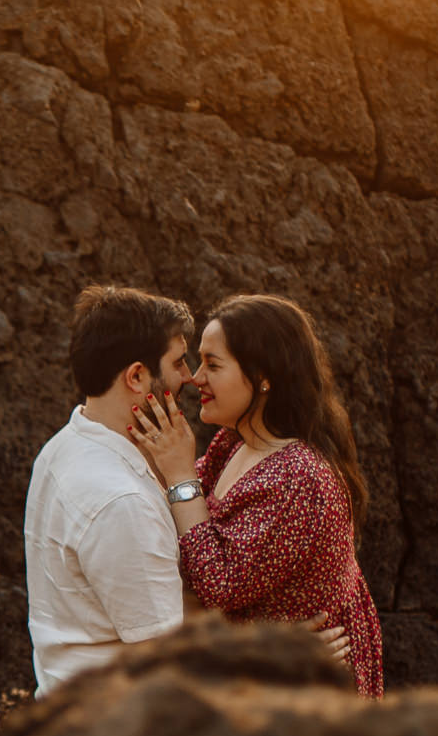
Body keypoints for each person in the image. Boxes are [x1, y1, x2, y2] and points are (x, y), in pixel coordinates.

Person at [129, 293, 384, 696]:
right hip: (263, 675)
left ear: (264, 376)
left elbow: (218, 581)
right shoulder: (231, 444)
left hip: (306, 697)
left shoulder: (300, 477)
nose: (195, 378)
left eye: (213, 364)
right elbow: (177, 522)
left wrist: (178, 472)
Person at [23, 285, 199, 697]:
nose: (189, 376)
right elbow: (166, 663)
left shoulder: (64, 445)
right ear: (136, 376)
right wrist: (282, 649)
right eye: (178, 363)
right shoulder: (122, 503)